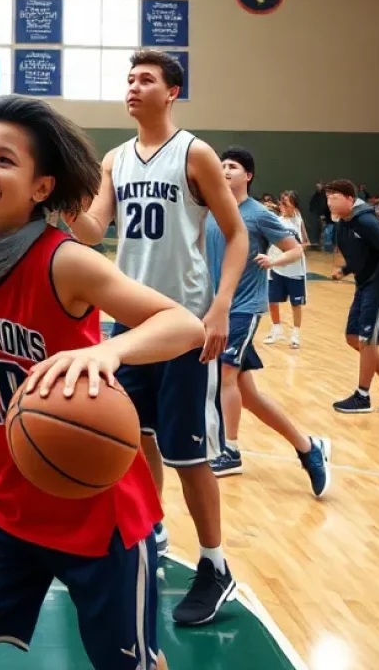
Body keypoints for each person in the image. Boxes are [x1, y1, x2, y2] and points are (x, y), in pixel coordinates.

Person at [0, 95, 206, 670]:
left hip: (93, 507)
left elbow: (181, 323)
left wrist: (110, 349)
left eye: (4, 160)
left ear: (40, 187)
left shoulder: (66, 261)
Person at [69, 48, 247, 627]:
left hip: (186, 322)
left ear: (172, 92)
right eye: (128, 79)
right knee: (137, 438)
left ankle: (216, 567)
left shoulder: (194, 152)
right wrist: (64, 200)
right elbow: (94, 228)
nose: (132, 86)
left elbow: (236, 234)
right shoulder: (116, 160)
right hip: (132, 320)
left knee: (188, 451)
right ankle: (152, 528)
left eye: (145, 79)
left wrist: (220, 307)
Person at [204, 149, 331, 494]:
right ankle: (308, 447)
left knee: (225, 375)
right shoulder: (211, 210)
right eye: (221, 166)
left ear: (248, 176)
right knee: (248, 395)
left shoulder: (259, 214)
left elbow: (295, 248)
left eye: (232, 167)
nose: (225, 170)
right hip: (217, 309)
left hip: (244, 306)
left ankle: (230, 450)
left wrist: (273, 262)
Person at [327, 179, 379, 414]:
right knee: (353, 336)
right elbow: (359, 256)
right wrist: (344, 270)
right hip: (363, 286)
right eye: (328, 197)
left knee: (367, 340)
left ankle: (362, 396)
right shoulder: (342, 224)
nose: (330, 201)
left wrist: (376, 281)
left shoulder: (365, 221)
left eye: (335, 196)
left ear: (350, 199)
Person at [265, 190, 309, 348]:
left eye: (286, 204)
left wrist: (293, 250)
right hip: (276, 267)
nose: (282, 206)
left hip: (295, 270)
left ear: (295, 207)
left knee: (296, 304)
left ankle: (295, 334)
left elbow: (306, 243)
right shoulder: (276, 220)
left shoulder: (298, 221)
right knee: (272, 300)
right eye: (281, 203)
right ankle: (277, 329)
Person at [309, 182, 329, 247]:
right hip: (319, 215)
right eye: (317, 187)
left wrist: (324, 214)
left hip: (325, 216)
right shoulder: (316, 196)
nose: (318, 188)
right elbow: (312, 204)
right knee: (321, 229)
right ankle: (322, 244)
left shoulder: (325, 195)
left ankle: (323, 245)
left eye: (319, 186)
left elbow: (326, 205)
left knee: (324, 229)